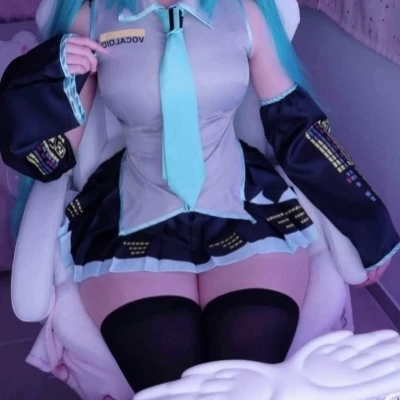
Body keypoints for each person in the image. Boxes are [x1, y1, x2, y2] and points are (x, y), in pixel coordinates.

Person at [0, 0, 398, 396]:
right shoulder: (92, 18)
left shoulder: (245, 13)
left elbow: (297, 127)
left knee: (251, 368)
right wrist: (38, 76)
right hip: (131, 215)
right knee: (168, 376)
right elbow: (50, 158)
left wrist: (368, 224)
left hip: (245, 206)